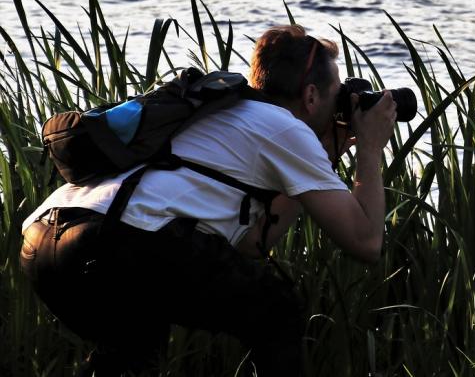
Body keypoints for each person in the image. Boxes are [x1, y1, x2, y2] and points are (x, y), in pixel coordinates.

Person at [18, 24, 397, 376]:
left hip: (45, 242)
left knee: (131, 352)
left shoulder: (222, 110)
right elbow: (365, 243)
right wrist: (369, 147)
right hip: (121, 240)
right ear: (311, 95)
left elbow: (250, 244)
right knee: (277, 311)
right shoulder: (286, 127)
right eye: (336, 97)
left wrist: (318, 162)